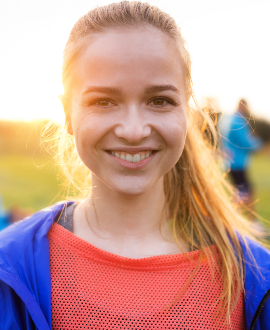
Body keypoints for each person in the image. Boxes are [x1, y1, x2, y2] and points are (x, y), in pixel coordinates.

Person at [0, 2, 269, 329]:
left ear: (186, 109)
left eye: (159, 101)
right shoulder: (9, 265)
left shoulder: (255, 276)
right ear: (68, 114)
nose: (133, 130)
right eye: (103, 101)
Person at [223, 99, 263, 206]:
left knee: (240, 193)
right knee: (246, 193)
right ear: (242, 105)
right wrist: (259, 144)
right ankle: (250, 221)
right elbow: (245, 141)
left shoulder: (231, 119)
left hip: (232, 161)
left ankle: (242, 219)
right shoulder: (237, 121)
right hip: (236, 163)